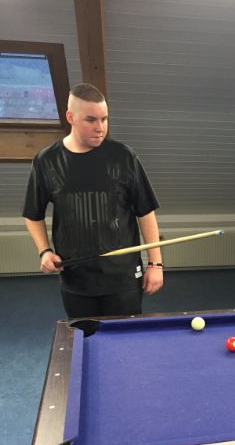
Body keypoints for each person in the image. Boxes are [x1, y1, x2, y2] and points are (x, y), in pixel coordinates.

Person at [22, 82, 164, 318]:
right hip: (75, 278)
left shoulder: (123, 157)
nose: (100, 128)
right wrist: (44, 251)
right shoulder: (47, 160)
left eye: (104, 119)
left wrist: (155, 264)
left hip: (123, 277)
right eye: (91, 120)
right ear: (70, 117)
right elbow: (32, 215)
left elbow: (146, 211)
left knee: (123, 337)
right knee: (83, 334)